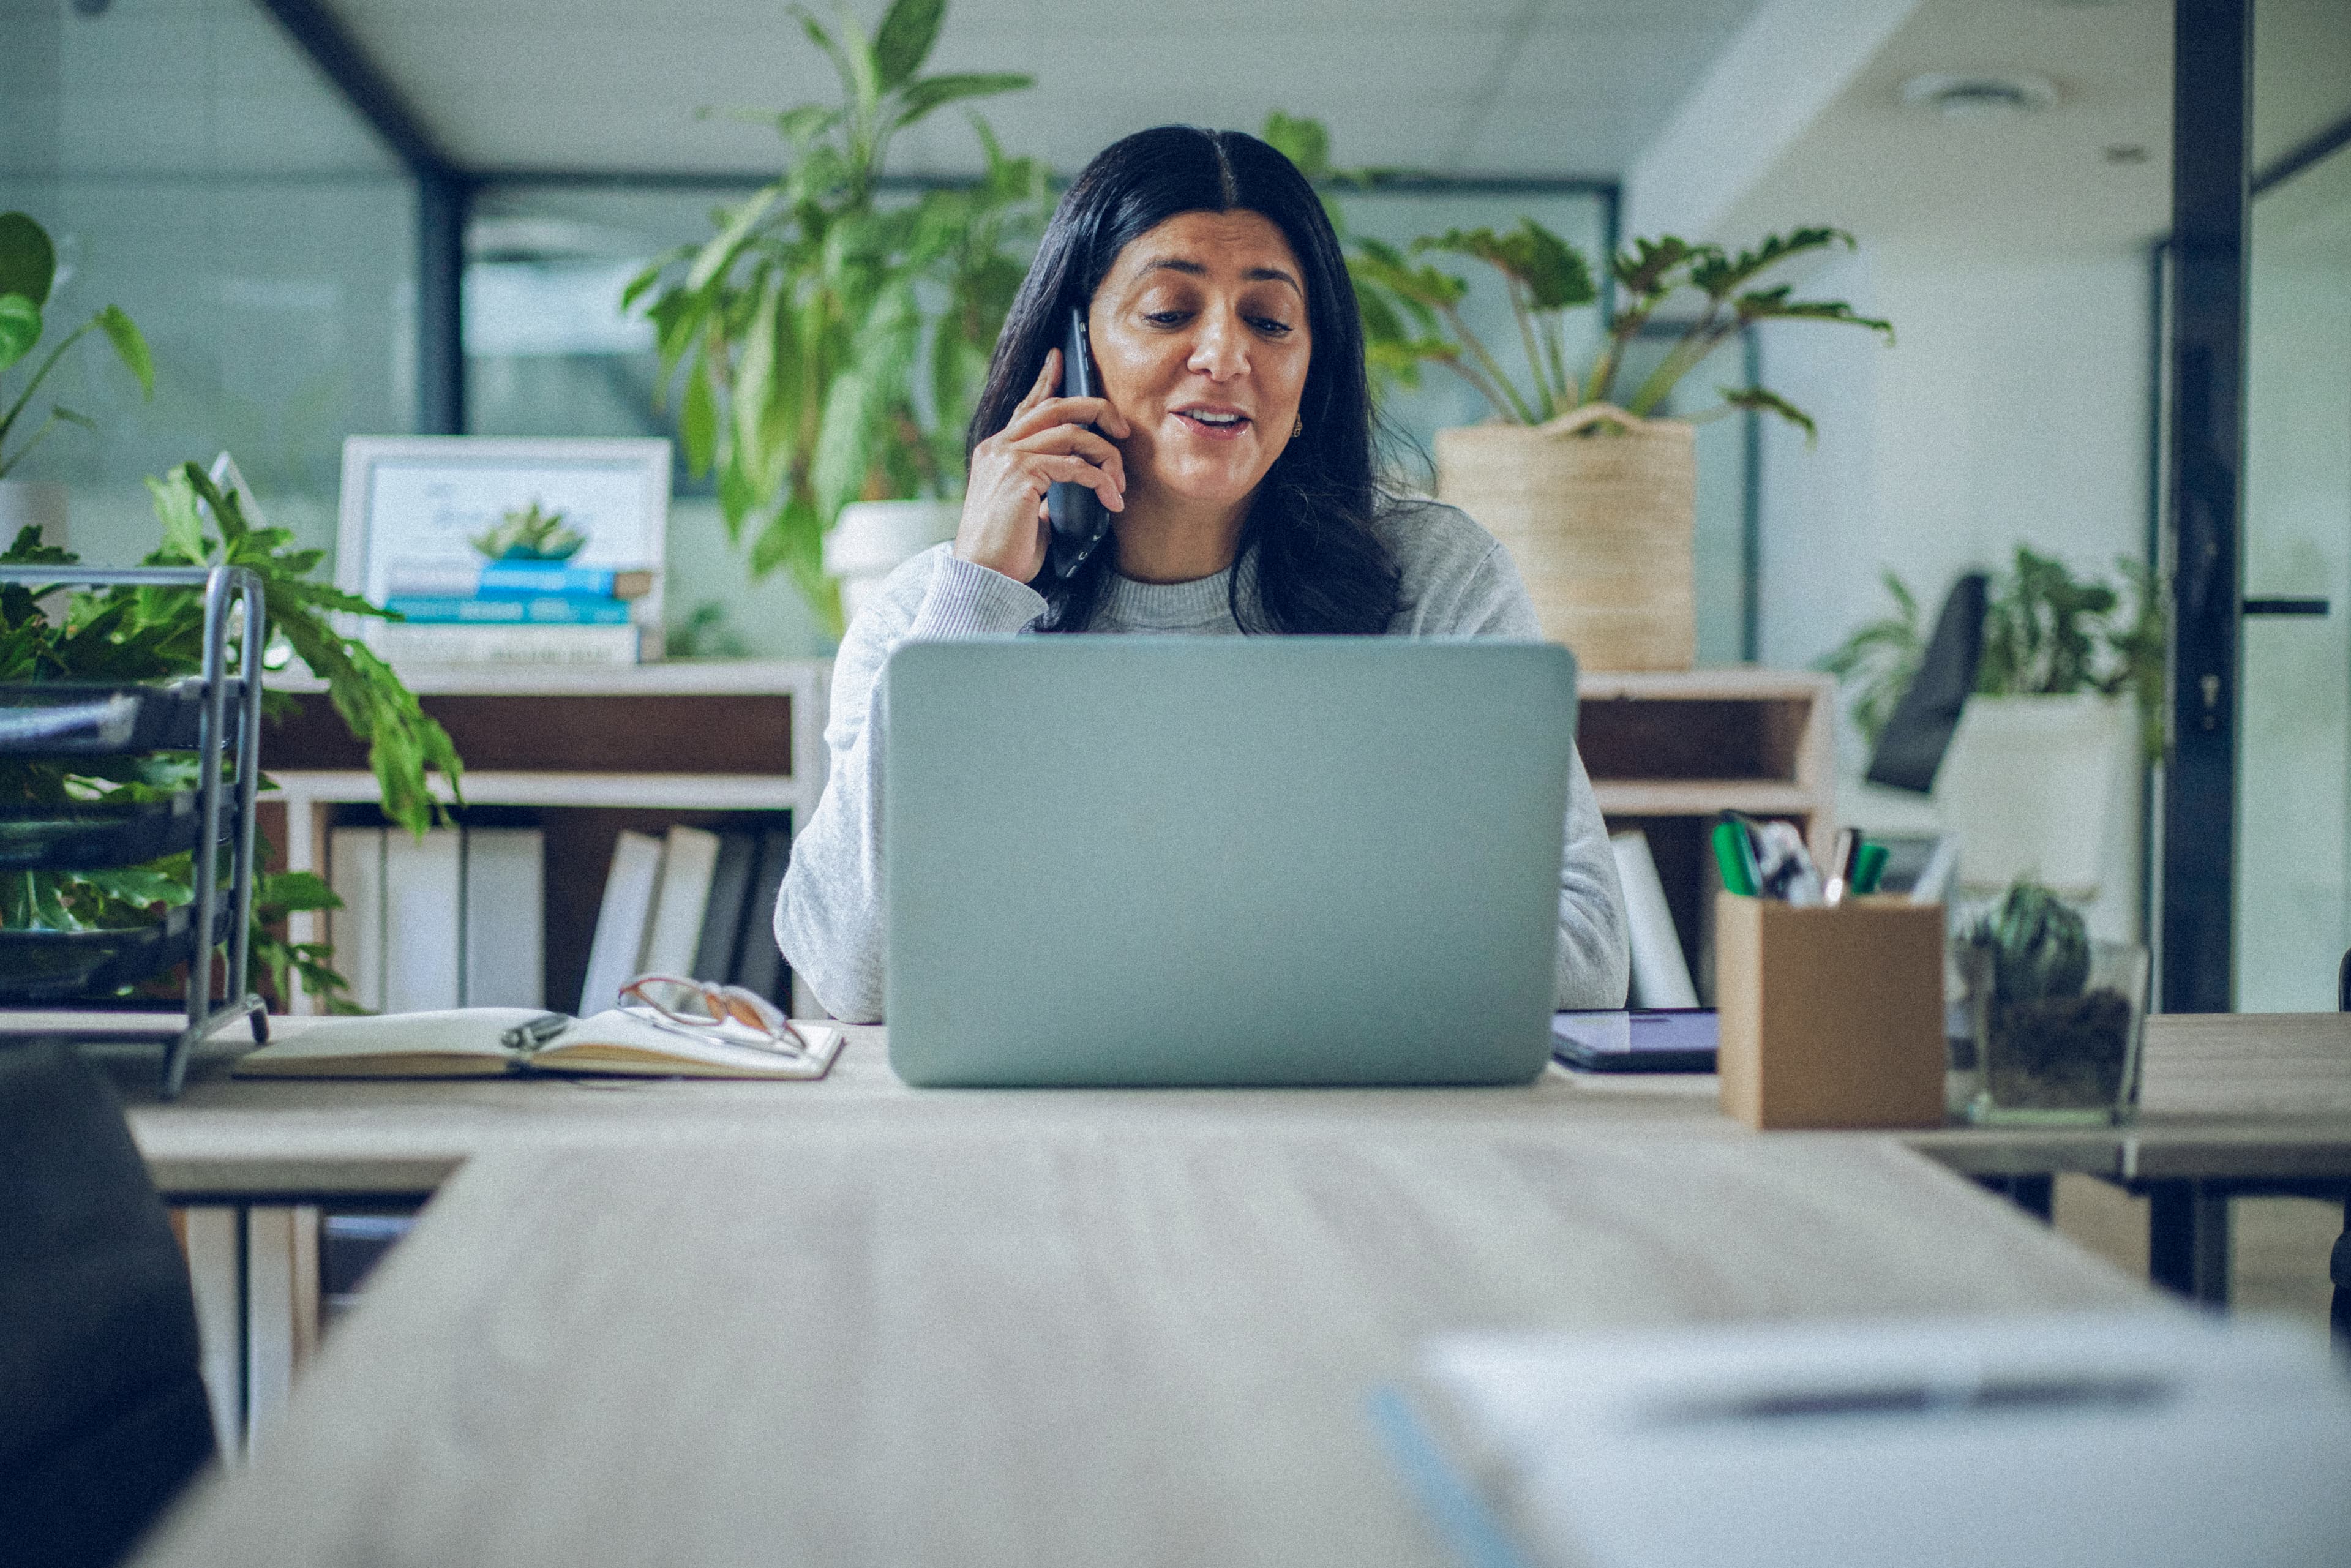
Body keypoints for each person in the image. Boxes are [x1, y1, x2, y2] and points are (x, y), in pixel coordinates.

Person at [777, 125, 1629, 1022]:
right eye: (1169, 312)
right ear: (1071, 348)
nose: (1226, 357)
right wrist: (981, 589)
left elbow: (1588, 949)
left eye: (1268, 321)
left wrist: (1177, 964)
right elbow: (853, 968)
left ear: (1312, 377)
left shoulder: (1437, 581)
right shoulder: (931, 613)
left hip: (1352, 1120)